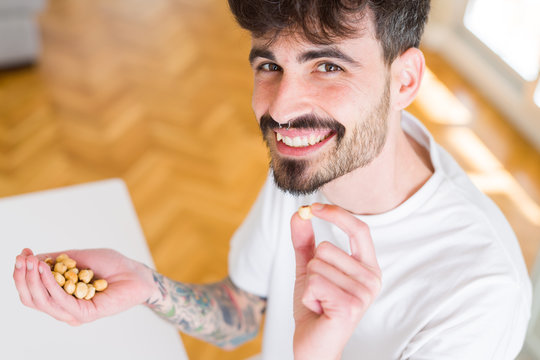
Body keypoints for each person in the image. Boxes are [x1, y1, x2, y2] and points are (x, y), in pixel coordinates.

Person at [13, 1, 532, 359]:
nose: (281, 110)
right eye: (269, 65)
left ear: (405, 80)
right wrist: (147, 287)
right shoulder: (314, 158)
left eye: (327, 66)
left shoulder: (480, 295)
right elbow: (244, 309)